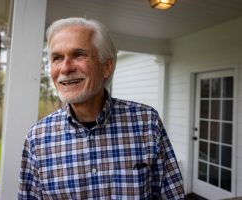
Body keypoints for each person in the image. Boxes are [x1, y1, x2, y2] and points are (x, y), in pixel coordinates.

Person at [18, 17, 185, 199]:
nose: (65, 68)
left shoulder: (147, 122)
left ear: (106, 67)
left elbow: (172, 195)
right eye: (57, 58)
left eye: (79, 55)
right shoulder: (37, 139)